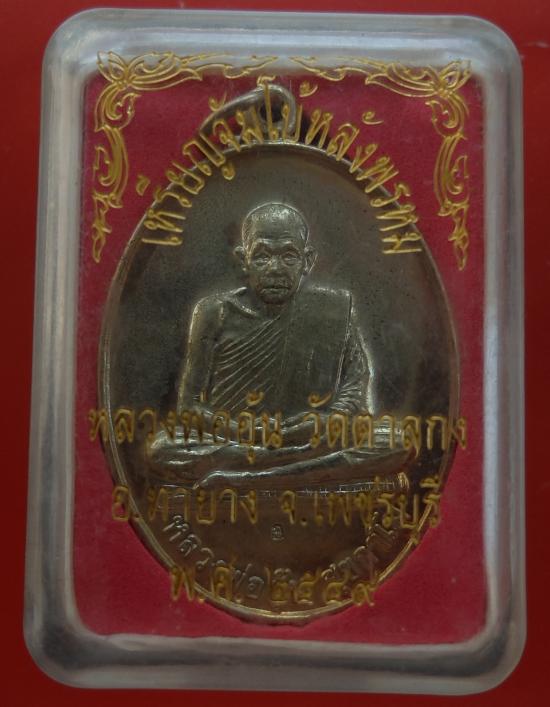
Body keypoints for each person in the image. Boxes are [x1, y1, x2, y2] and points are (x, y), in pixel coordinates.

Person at [148, 203, 409, 489]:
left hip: (308, 438)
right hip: (238, 439)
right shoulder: (214, 312)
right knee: (163, 448)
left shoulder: (334, 310)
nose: (275, 269)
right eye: (262, 256)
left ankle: (250, 479)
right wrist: (255, 434)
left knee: (395, 440)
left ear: (307, 261)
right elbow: (189, 410)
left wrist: (323, 423)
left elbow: (355, 391)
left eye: (288, 256)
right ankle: (296, 472)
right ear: (243, 259)